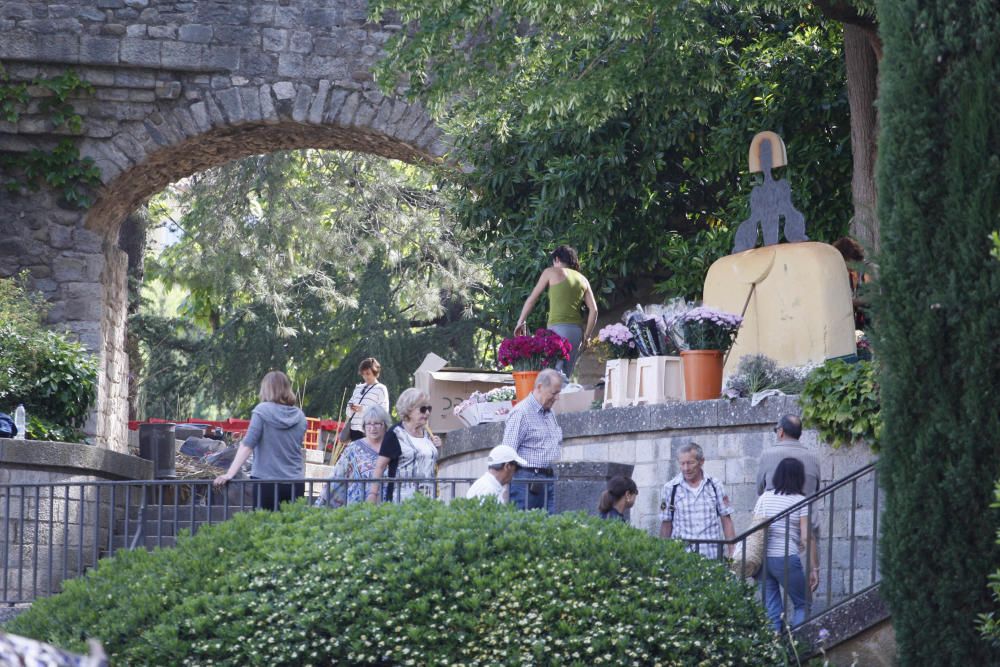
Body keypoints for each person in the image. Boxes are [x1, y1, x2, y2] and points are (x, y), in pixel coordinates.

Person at [213, 370, 306, 510]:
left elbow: (248, 444)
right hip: (295, 483)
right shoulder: (300, 416)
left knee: (265, 527)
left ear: (266, 389)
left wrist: (230, 474)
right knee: (292, 529)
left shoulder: (262, 411)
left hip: (266, 483)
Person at [753, 457, 820, 632]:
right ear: (799, 477)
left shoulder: (764, 498)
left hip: (761, 560)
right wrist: (815, 568)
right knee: (803, 604)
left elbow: (755, 527)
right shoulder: (800, 500)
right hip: (785, 558)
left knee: (772, 610)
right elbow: (806, 537)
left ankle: (775, 653)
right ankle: (798, 648)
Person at [514, 245, 598, 379]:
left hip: (557, 330)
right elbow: (594, 310)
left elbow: (532, 299)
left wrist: (521, 321)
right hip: (576, 332)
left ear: (557, 259)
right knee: (566, 375)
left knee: (554, 375)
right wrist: (587, 336)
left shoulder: (551, 272)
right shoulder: (583, 279)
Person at [659, 442, 736, 558]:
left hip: (712, 557)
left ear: (701, 461)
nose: (686, 468)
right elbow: (666, 524)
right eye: (682, 463)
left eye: (690, 463)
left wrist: (732, 552)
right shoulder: (669, 488)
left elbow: (726, 521)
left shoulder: (715, 485)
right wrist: (662, 556)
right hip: (681, 558)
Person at [502, 369, 564, 513]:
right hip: (526, 480)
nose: (557, 398)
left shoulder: (550, 413)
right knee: (524, 527)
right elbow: (508, 452)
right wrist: (504, 488)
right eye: (554, 393)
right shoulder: (521, 413)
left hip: (548, 479)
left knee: (548, 529)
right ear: (540, 387)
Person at [315, 405, 392, 508]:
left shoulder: (395, 447)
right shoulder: (354, 448)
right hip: (357, 508)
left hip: (388, 508)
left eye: (377, 424)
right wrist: (320, 506)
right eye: (369, 424)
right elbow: (337, 477)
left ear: (385, 425)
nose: (372, 428)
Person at [378, 388, 442, 502]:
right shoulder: (395, 434)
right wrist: (373, 494)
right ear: (409, 410)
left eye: (429, 408)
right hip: (401, 501)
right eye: (423, 409)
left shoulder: (427, 434)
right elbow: (379, 467)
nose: (427, 413)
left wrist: (437, 448)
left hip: (429, 500)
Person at [757, 415, 821, 498]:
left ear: (781, 432)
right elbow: (816, 490)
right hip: (807, 508)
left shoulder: (767, 455)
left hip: (775, 509)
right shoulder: (813, 458)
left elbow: (760, 489)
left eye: (776, 430)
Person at [344, 357, 390, 442]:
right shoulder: (358, 388)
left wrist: (363, 409)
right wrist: (351, 408)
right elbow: (348, 411)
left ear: (375, 372)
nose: (365, 376)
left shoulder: (381, 389)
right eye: (363, 373)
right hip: (354, 431)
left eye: (368, 373)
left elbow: (383, 412)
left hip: (370, 433)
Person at [832, 236, 873, 330]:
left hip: (874, 326)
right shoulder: (848, 274)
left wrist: (849, 302)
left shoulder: (868, 269)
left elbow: (872, 297)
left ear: (849, 257)